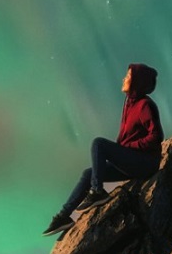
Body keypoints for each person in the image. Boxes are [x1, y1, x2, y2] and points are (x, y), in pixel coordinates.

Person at [44, 63, 164, 236]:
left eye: (128, 76)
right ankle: (63, 216)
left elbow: (156, 136)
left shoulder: (145, 105)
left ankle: (97, 192)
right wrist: (122, 151)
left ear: (137, 81)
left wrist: (128, 148)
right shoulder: (130, 103)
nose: (124, 79)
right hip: (133, 161)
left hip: (145, 163)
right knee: (88, 174)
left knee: (99, 144)